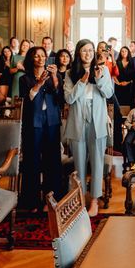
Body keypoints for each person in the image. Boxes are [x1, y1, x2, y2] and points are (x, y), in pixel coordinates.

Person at [63, 39, 114, 217]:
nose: (88, 53)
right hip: (78, 119)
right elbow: (69, 99)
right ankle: (81, 197)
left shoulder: (103, 70)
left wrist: (98, 79)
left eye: (91, 50)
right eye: (84, 51)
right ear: (78, 53)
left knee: (97, 161)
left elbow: (108, 93)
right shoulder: (71, 73)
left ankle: (94, 200)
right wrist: (83, 81)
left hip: (97, 119)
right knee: (79, 163)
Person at [19, 46, 63, 212]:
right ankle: (31, 201)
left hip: (51, 121)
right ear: (31, 59)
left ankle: (50, 200)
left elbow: (60, 98)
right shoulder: (24, 79)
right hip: (33, 121)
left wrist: (54, 78)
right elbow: (27, 99)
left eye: (42, 56)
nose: (40, 58)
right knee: (32, 161)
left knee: (52, 161)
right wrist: (39, 83)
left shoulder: (55, 75)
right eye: (36, 56)